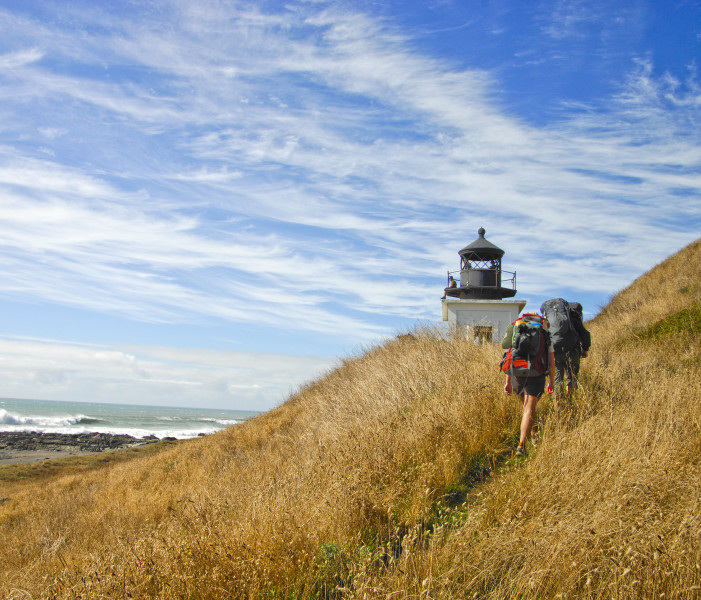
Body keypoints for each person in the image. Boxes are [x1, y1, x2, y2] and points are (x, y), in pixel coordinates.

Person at [502, 315, 555, 457]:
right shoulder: (544, 333)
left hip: (516, 373)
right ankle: (522, 444)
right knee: (529, 408)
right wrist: (551, 380)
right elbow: (551, 361)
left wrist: (507, 382)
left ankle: (533, 435)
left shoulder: (517, 329)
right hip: (536, 372)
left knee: (526, 408)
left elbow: (510, 355)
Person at [552, 302, 591, 403]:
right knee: (571, 378)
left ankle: (557, 409)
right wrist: (585, 349)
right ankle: (569, 404)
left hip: (556, 352)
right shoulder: (574, 317)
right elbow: (585, 334)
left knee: (558, 380)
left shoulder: (556, 319)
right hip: (572, 351)